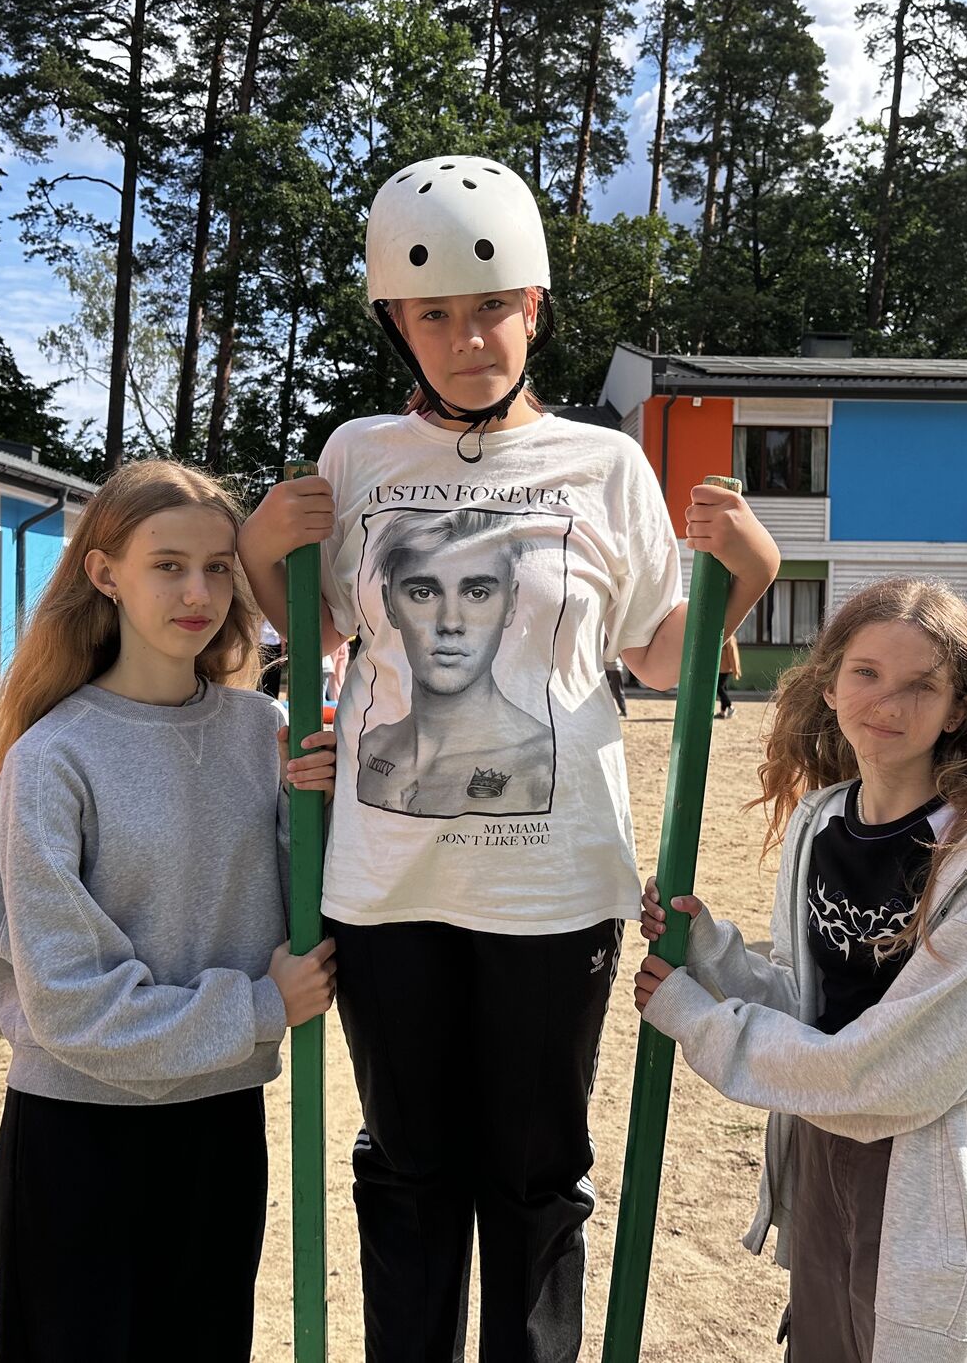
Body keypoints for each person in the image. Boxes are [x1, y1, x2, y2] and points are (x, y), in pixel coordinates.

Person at [238, 153, 781, 1362]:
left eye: (490, 307)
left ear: (532, 307)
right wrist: (258, 549)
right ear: (397, 323)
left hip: (554, 885)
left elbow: (656, 656)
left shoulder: (603, 465)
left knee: (536, 1172)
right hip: (385, 883)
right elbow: (315, 632)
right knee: (406, 1166)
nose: (467, 338)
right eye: (433, 314)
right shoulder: (357, 456)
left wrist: (745, 580)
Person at [633, 578, 967, 1363]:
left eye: (922, 684)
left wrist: (700, 1020)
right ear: (830, 686)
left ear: (958, 709)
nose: (889, 703)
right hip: (824, 1140)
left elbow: (894, 1073)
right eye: (866, 673)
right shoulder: (821, 823)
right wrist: (711, 953)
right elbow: (809, 1003)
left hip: (938, 1171)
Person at [0, 460, 340, 1363]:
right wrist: (260, 1006)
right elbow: (67, 1004)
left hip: (220, 1122)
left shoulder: (258, 730)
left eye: (218, 568)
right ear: (105, 574)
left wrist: (309, 812)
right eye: (167, 566)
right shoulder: (54, 758)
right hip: (80, 1135)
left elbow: (294, 904)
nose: (198, 593)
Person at [355, 507, 554, 815]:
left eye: (477, 593)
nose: (450, 622)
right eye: (423, 593)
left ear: (511, 603)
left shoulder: (542, 761)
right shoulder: (370, 748)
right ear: (389, 604)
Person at [717, 632, 742, 718]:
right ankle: (723, 712)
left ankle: (730, 706)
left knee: (719, 688)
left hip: (725, 668)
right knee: (723, 688)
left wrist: (735, 669)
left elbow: (733, 654)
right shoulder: (726, 636)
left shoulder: (729, 638)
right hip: (722, 667)